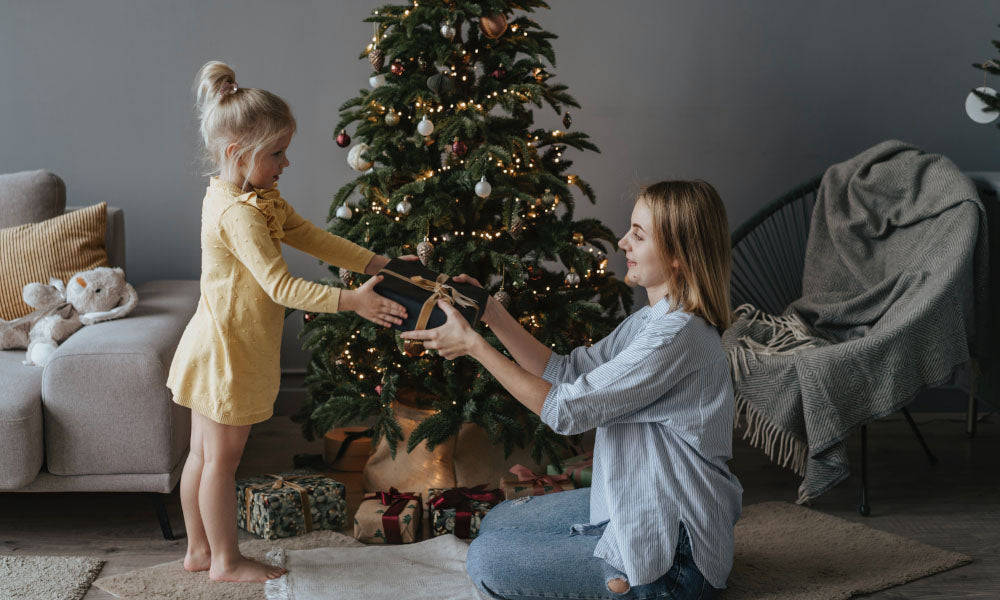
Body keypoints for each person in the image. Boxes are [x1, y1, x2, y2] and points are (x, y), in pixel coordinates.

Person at [402, 180, 743, 599]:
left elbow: (566, 410)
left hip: (676, 556)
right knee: (500, 520)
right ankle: (611, 565)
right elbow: (566, 370)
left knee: (486, 558)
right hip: (638, 501)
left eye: (638, 235)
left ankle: (634, 577)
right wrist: (490, 312)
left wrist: (474, 347)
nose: (622, 243)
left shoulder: (677, 335)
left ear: (677, 256)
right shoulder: (653, 320)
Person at [166, 61, 408, 583]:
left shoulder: (252, 196)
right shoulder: (241, 215)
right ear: (238, 154)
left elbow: (311, 236)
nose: (286, 161)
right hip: (229, 352)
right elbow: (282, 286)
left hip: (215, 343)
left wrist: (378, 265)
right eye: (276, 153)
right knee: (221, 462)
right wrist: (354, 301)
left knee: (202, 456)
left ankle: (199, 552)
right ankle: (226, 562)